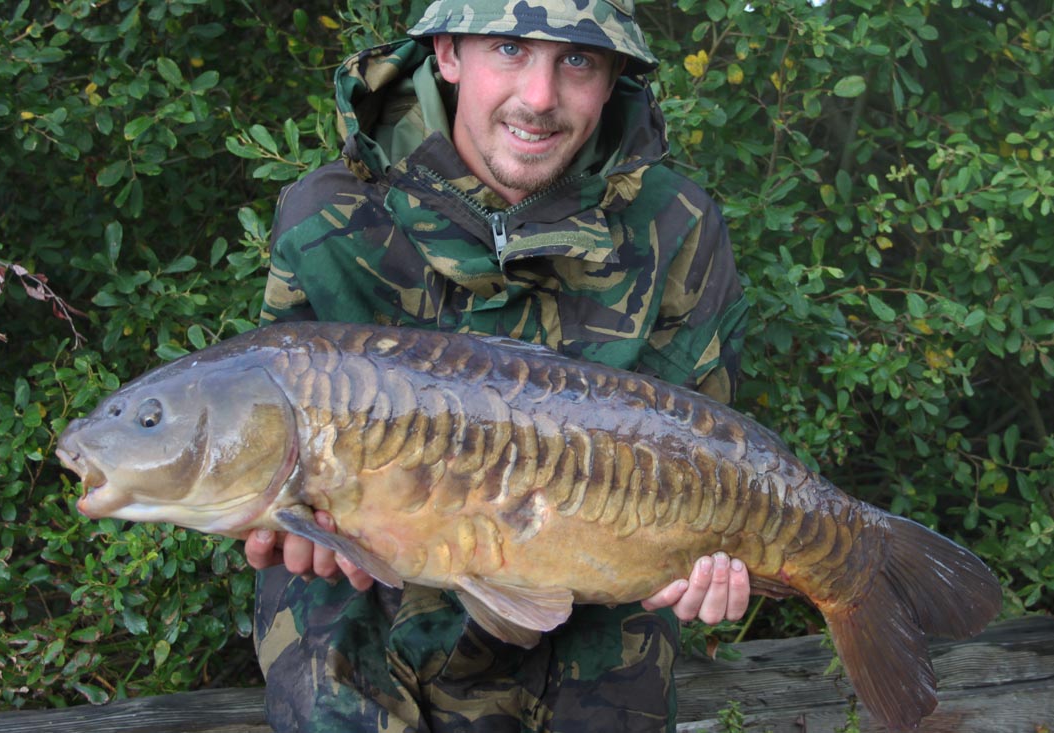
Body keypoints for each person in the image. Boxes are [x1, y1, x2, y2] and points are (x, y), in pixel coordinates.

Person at [243, 0, 752, 730]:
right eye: (509, 49)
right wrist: (282, 516)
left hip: (589, 571)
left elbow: (707, 452)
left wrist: (711, 555)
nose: (539, 98)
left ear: (613, 76)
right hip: (365, 578)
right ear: (448, 53)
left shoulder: (679, 226)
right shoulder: (329, 215)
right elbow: (270, 417)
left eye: (577, 60)